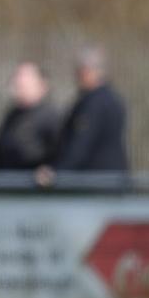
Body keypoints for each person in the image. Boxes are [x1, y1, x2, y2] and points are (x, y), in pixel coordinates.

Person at [36, 46, 129, 190]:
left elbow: (80, 145)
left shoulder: (93, 104)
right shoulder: (111, 99)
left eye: (79, 71)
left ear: (88, 71)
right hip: (111, 183)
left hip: (96, 187)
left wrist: (56, 173)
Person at [0, 61, 60, 173]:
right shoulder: (11, 117)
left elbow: (60, 156)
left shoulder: (51, 117)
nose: (18, 87)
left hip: (33, 188)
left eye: (24, 83)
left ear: (41, 85)